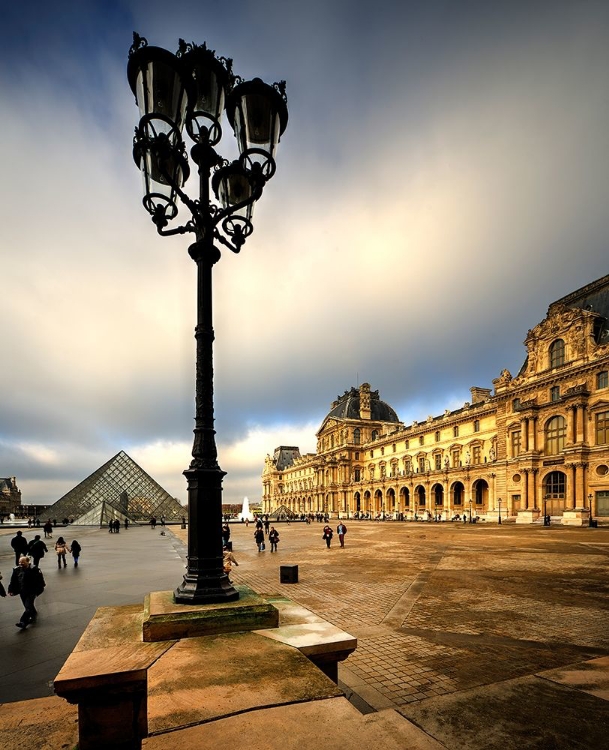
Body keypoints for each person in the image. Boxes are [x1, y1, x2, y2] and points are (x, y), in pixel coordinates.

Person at [8, 556, 46, 629]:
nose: (20, 563)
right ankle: (33, 613)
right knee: (27, 605)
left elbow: (40, 580)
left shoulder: (34, 569)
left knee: (28, 605)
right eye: (19, 562)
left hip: (32, 591)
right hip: (22, 591)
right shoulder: (17, 570)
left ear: (28, 562)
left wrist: (39, 589)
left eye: (23, 562)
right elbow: (13, 581)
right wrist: (11, 590)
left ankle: (23, 622)